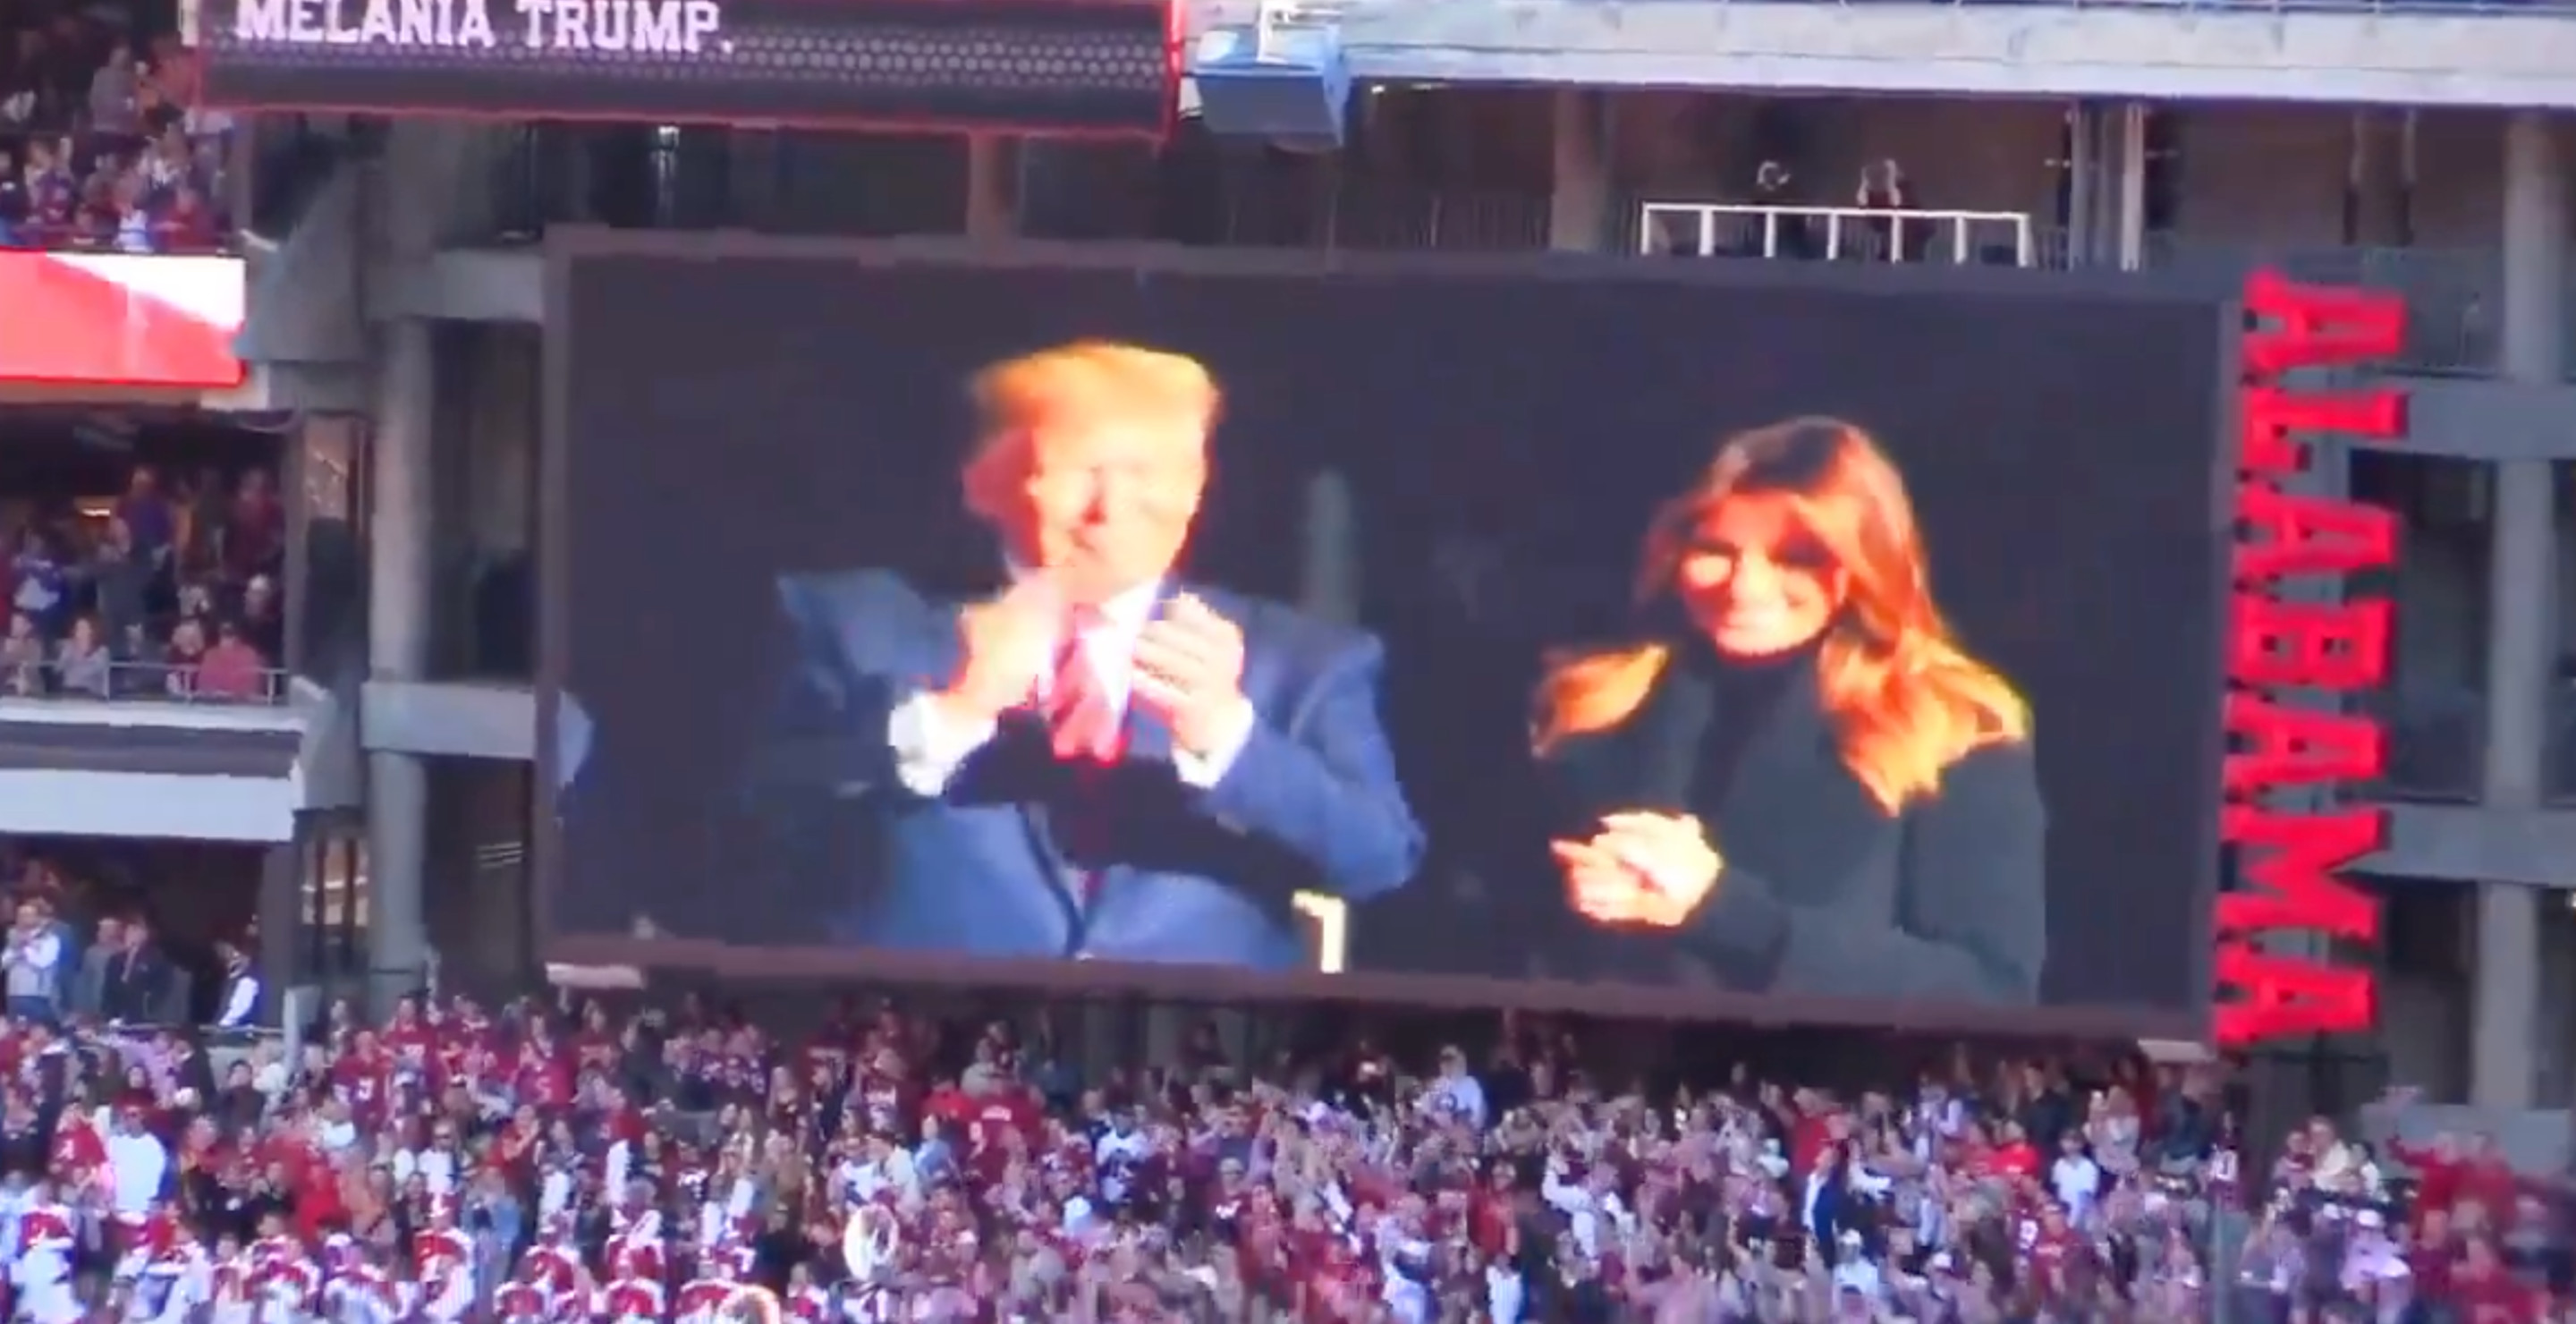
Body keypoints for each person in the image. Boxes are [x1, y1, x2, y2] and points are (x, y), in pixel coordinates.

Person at [736, 340, 1423, 968]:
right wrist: (950, 715)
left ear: (1196, 487)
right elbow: (756, 826)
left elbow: (1380, 860)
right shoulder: (853, 620)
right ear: (986, 481)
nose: (1114, 506)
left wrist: (1231, 738)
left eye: (1152, 471)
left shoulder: (1300, 660)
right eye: (1081, 469)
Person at [1529, 417, 2046, 1000]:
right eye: (1715, 550)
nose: (1744, 587)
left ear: (1865, 563)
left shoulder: (1945, 724)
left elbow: (1992, 988)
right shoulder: (1594, 704)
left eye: (1795, 558)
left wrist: (1725, 909)